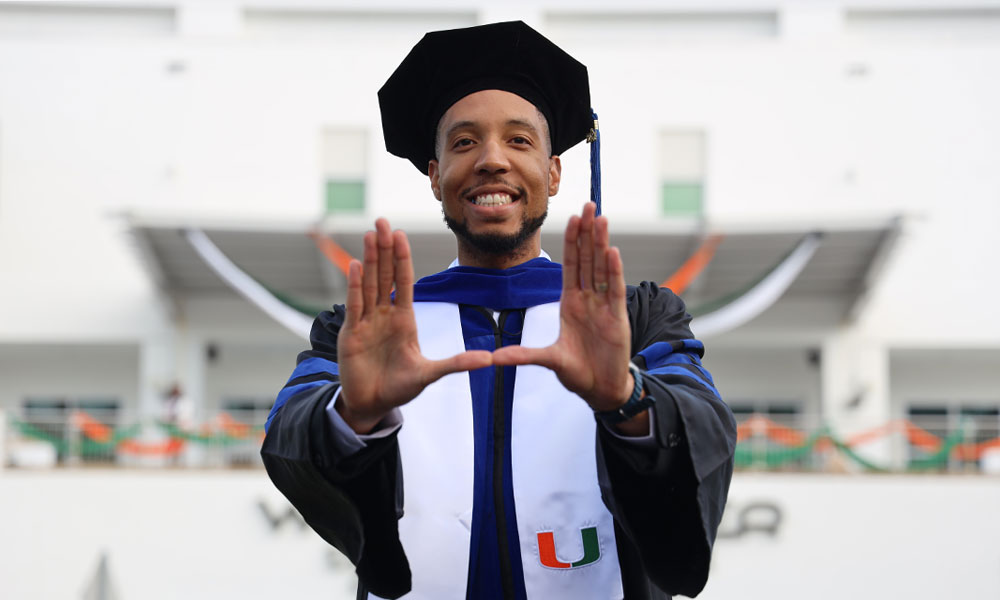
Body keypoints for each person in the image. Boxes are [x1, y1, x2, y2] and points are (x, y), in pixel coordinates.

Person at [262, 21, 736, 600]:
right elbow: (288, 434)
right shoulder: (366, 330)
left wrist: (628, 398)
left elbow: (706, 428)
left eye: (519, 140)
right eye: (463, 143)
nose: (491, 160)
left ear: (555, 172)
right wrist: (352, 416)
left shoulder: (634, 319)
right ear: (435, 177)